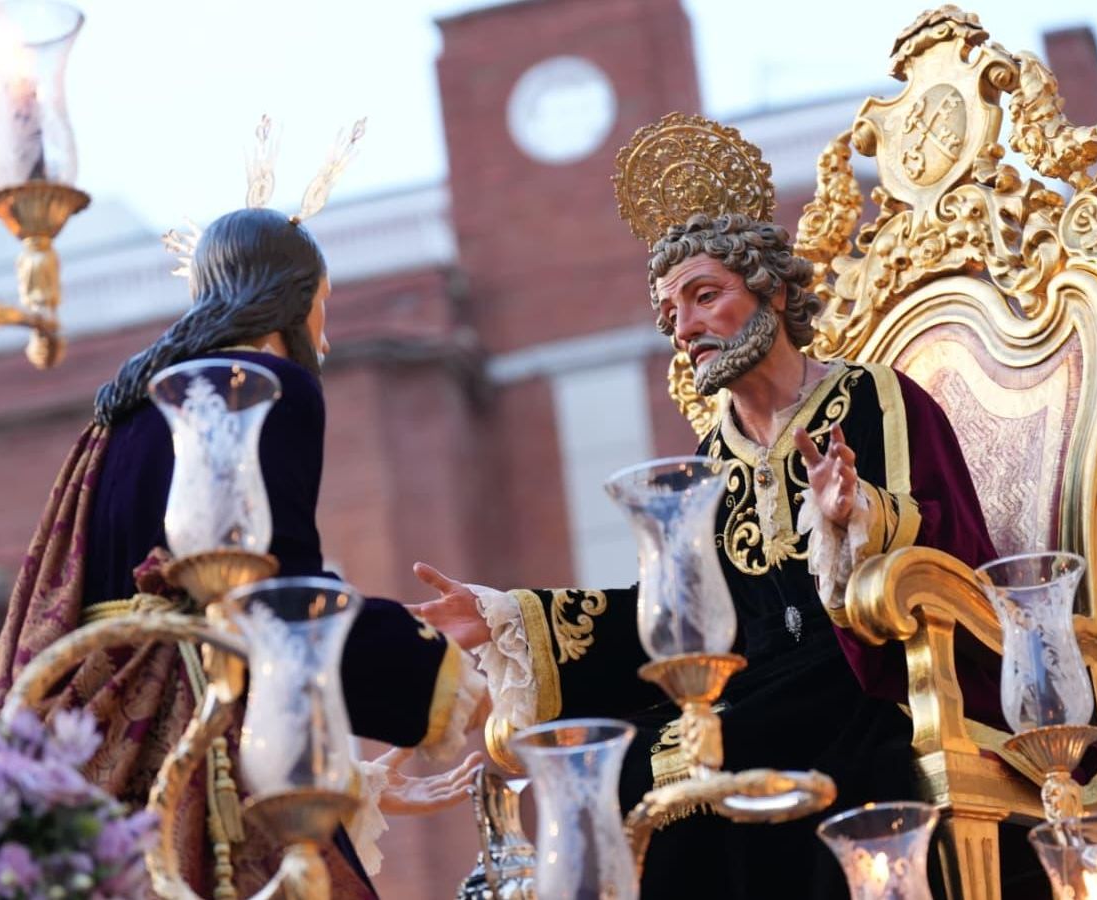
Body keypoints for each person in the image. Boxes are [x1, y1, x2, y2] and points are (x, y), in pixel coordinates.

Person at [415, 113, 1019, 899]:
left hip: (871, 680)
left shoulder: (874, 399)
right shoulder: (711, 455)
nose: (687, 329)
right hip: (758, 687)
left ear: (768, 290)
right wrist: (512, 618)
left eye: (705, 298)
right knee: (629, 765)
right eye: (672, 316)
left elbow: (960, 547)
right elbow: (680, 608)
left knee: (729, 754)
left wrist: (861, 516)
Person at [0, 198, 485, 898]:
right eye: (323, 304)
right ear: (293, 297)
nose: (325, 333)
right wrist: (436, 659)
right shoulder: (263, 388)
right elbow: (269, 599)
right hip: (193, 724)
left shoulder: (121, 412)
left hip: (96, 739)